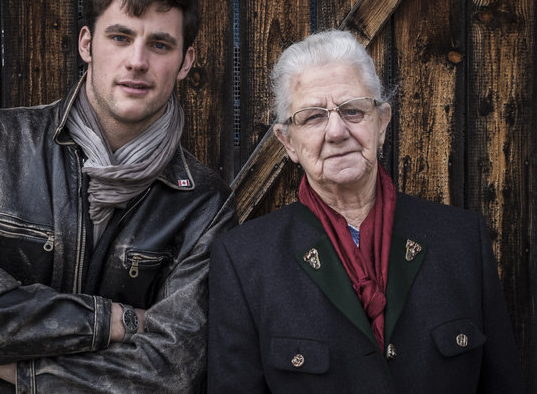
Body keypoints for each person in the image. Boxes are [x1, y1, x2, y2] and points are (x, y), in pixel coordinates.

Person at [0, 0, 236, 393]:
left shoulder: (204, 204)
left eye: (160, 45)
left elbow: (169, 368)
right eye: (120, 37)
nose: (137, 61)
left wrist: (26, 375)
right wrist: (111, 322)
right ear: (87, 43)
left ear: (184, 61)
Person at [207, 30, 525, 393]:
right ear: (288, 142)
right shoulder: (244, 260)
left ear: (382, 122)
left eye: (352, 110)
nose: (337, 131)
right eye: (312, 117)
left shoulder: (462, 239)